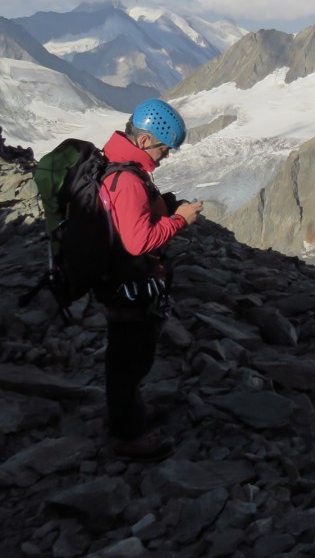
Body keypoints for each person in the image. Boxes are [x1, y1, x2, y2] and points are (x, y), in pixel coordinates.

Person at [96, 98, 203, 461]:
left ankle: (130, 415)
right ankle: (127, 435)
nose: (166, 156)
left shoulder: (123, 167)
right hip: (128, 285)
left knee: (129, 355)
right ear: (144, 142)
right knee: (130, 359)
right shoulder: (128, 179)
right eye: (163, 147)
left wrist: (165, 207)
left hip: (122, 280)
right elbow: (138, 241)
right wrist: (181, 220)